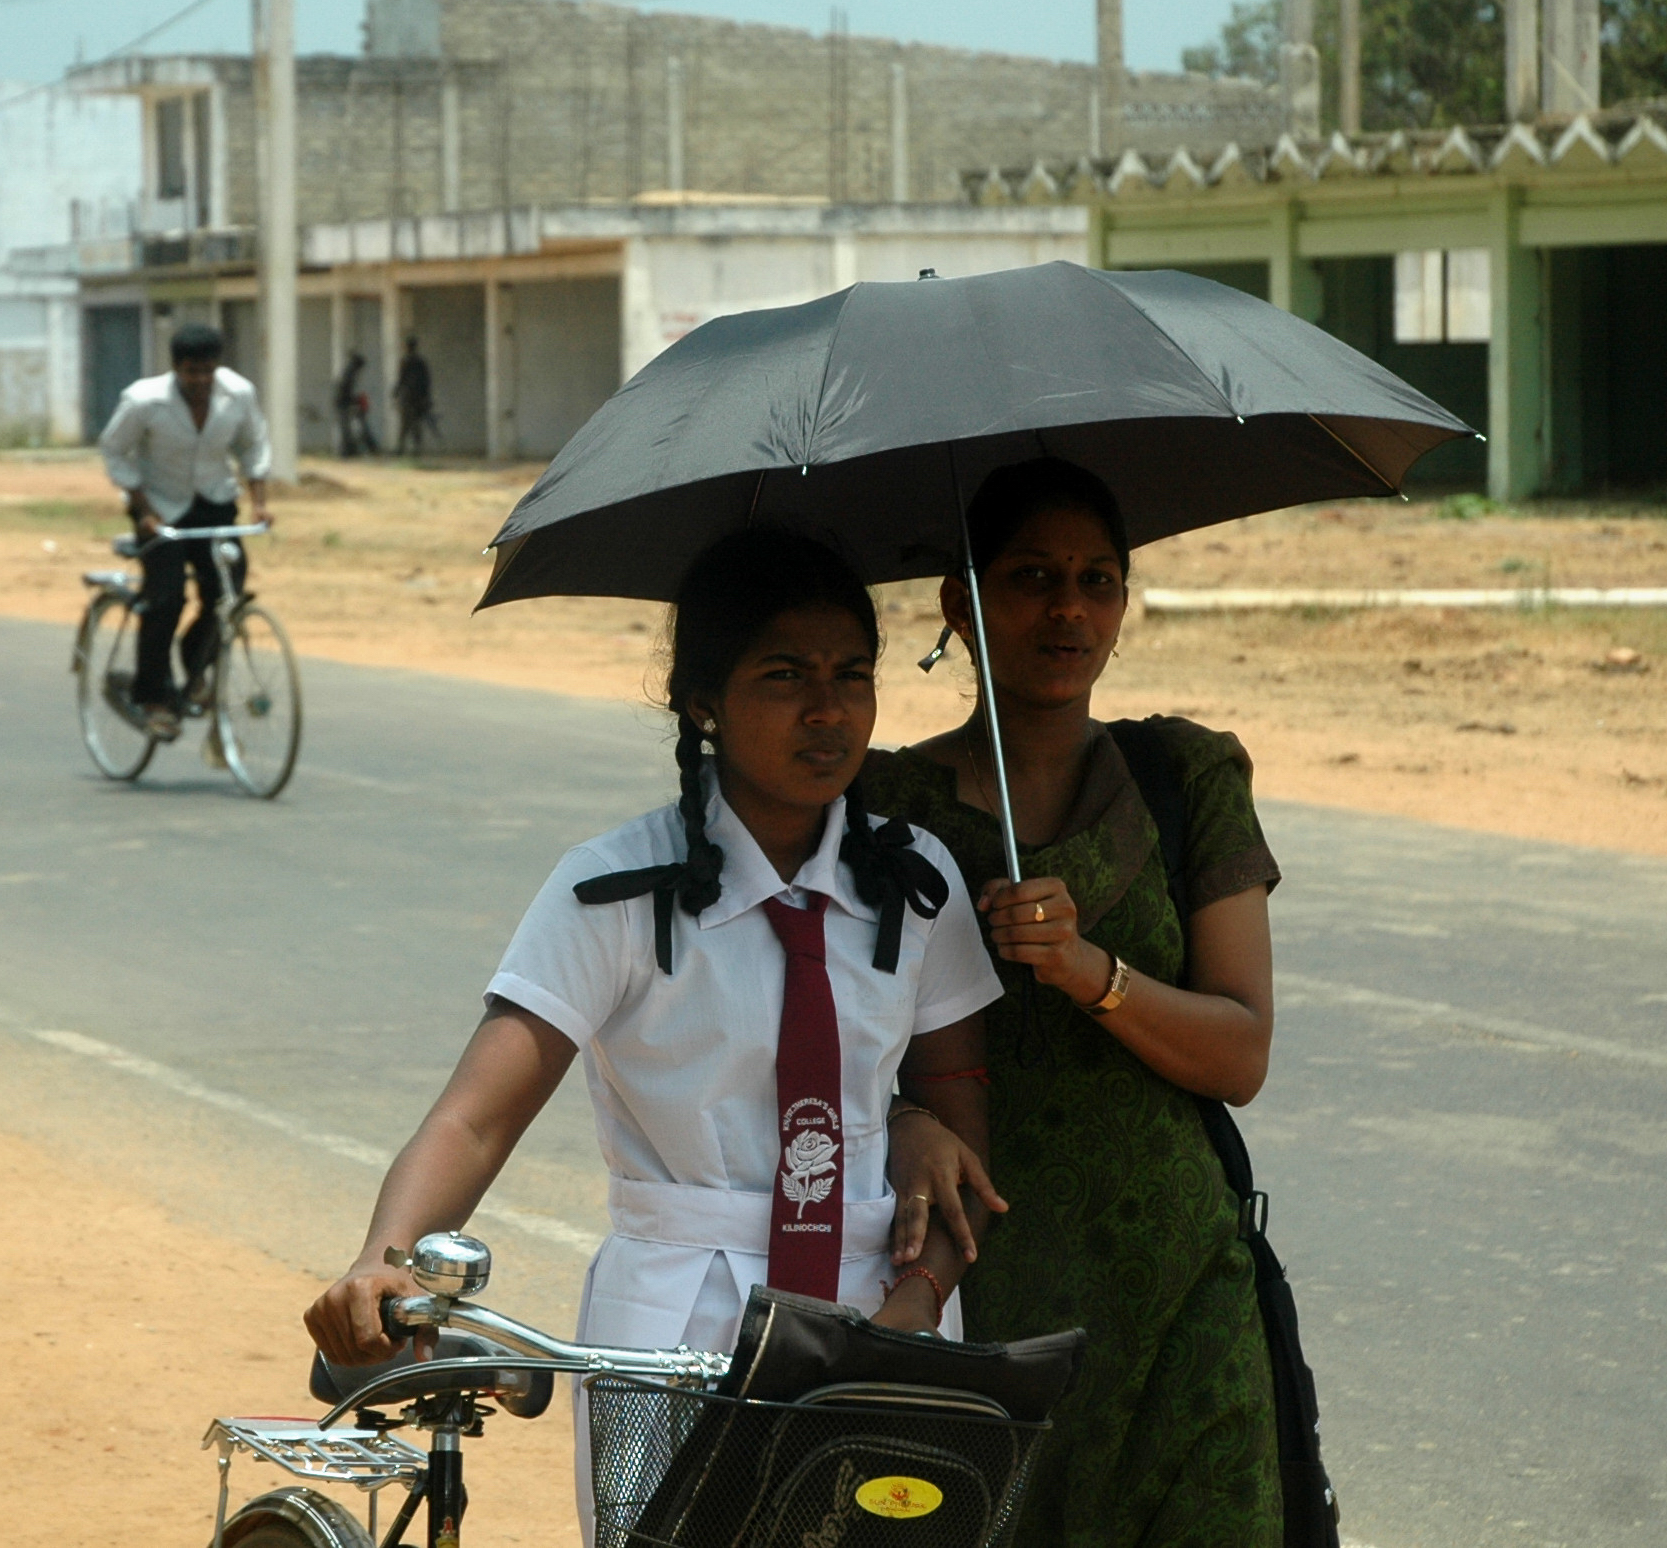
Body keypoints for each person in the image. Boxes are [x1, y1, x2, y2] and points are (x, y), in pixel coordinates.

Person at [303, 529, 1004, 1538]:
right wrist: (386, 1256)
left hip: (884, 1313)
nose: (829, 709)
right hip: (679, 1324)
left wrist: (914, 1303)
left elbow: (959, 1137)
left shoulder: (913, 883)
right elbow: (473, 1120)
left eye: (854, 675)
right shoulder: (616, 891)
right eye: (785, 675)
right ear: (702, 701)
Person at [865, 457, 1283, 1548]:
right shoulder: (880, 808)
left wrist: (1091, 973)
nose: (1067, 609)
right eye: (1030, 577)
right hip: (980, 1299)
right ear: (960, 604)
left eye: (1097, 580)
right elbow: (828, 1043)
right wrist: (905, 1120)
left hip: (1177, 1297)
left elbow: (1240, 1054)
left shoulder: (1183, 780)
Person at [96, 322, 273, 740]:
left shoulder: (238, 394)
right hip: (161, 509)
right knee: (166, 596)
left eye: (207, 372)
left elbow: (253, 444)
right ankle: (152, 695)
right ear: (176, 369)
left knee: (226, 592)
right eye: (192, 372)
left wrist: (260, 500)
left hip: (213, 502)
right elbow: (114, 449)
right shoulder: (144, 400)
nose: (200, 381)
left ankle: (194, 666)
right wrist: (144, 509)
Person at [391, 335, 436, 456]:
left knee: (406, 425)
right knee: (414, 424)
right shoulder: (420, 362)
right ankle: (414, 449)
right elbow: (426, 381)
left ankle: (403, 449)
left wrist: (395, 393)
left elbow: (401, 379)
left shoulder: (406, 362)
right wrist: (426, 397)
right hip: (417, 398)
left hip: (409, 398)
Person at [334, 349, 373, 457]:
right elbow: (346, 391)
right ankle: (347, 451)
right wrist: (355, 402)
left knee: (347, 428)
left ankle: (349, 450)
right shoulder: (350, 374)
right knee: (346, 428)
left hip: (344, 402)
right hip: (343, 403)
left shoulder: (349, 372)